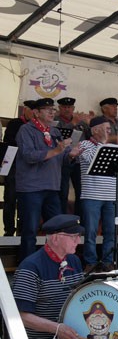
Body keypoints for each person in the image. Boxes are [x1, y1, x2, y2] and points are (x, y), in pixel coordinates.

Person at [10, 214, 84, 339]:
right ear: (55, 237)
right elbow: (20, 316)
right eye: (73, 236)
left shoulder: (74, 261)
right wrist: (57, 328)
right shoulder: (31, 267)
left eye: (78, 236)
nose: (78, 240)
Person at [16, 98, 81, 260]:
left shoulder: (54, 132)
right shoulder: (26, 130)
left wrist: (72, 154)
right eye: (47, 109)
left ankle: (55, 263)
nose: (52, 112)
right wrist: (56, 151)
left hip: (52, 187)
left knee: (58, 228)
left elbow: (63, 158)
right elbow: (29, 156)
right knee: (30, 229)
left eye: (53, 109)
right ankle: (27, 268)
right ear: (36, 113)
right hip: (31, 188)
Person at [79, 116, 118, 272]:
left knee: (110, 231)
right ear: (95, 130)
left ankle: (108, 261)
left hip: (111, 197)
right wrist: (103, 144)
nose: (109, 131)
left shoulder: (111, 147)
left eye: (109, 129)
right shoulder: (85, 144)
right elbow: (91, 159)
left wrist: (113, 145)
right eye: (106, 128)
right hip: (92, 196)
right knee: (90, 232)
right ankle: (90, 262)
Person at [55, 96, 93, 216]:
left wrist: (90, 123)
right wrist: (73, 124)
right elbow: (56, 138)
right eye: (64, 107)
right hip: (63, 161)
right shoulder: (55, 121)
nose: (67, 109)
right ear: (59, 108)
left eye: (70, 107)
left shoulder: (81, 123)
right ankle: (61, 221)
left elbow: (90, 137)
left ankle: (79, 220)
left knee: (81, 192)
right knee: (63, 192)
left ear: (73, 108)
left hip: (79, 162)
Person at [3, 100, 35, 236]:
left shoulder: (37, 127)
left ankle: (22, 230)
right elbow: (8, 141)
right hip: (14, 164)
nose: (34, 115)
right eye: (32, 111)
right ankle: (9, 230)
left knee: (26, 200)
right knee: (10, 198)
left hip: (30, 167)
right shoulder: (15, 123)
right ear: (25, 110)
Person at [99, 97, 118, 234]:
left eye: (116, 106)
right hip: (106, 164)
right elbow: (98, 138)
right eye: (112, 106)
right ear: (104, 108)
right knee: (106, 198)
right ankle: (104, 227)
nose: (115, 108)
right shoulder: (100, 123)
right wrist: (116, 139)